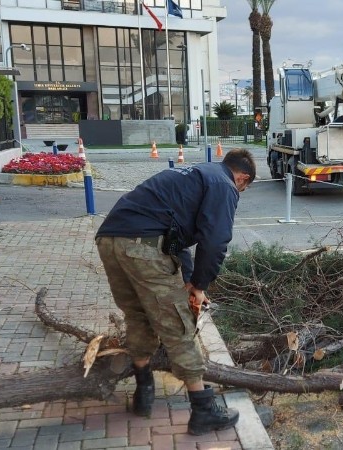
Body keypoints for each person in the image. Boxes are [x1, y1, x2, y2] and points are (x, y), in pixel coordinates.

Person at [94, 148, 256, 436]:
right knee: (177, 324)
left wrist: (191, 281)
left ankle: (143, 392)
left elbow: (175, 241)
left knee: (137, 315)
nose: (240, 192)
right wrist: (201, 286)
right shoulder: (224, 185)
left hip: (110, 239)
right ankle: (203, 410)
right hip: (141, 245)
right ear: (242, 178)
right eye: (244, 188)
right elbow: (215, 240)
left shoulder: (196, 175)